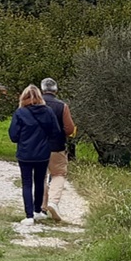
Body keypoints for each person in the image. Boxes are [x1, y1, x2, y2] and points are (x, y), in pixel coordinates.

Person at [8, 84, 64, 226]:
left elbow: (13, 135)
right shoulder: (48, 112)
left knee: (27, 183)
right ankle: (37, 210)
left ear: (23, 97)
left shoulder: (20, 113)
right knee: (40, 181)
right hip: (43, 153)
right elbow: (56, 132)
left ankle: (28, 216)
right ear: (40, 96)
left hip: (25, 153)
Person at [40, 78, 77, 222]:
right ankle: (53, 202)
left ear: (42, 89)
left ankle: (41, 207)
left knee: (40, 176)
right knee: (58, 174)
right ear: (56, 90)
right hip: (56, 146)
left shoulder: (34, 103)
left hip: (36, 146)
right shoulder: (62, 106)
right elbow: (69, 129)